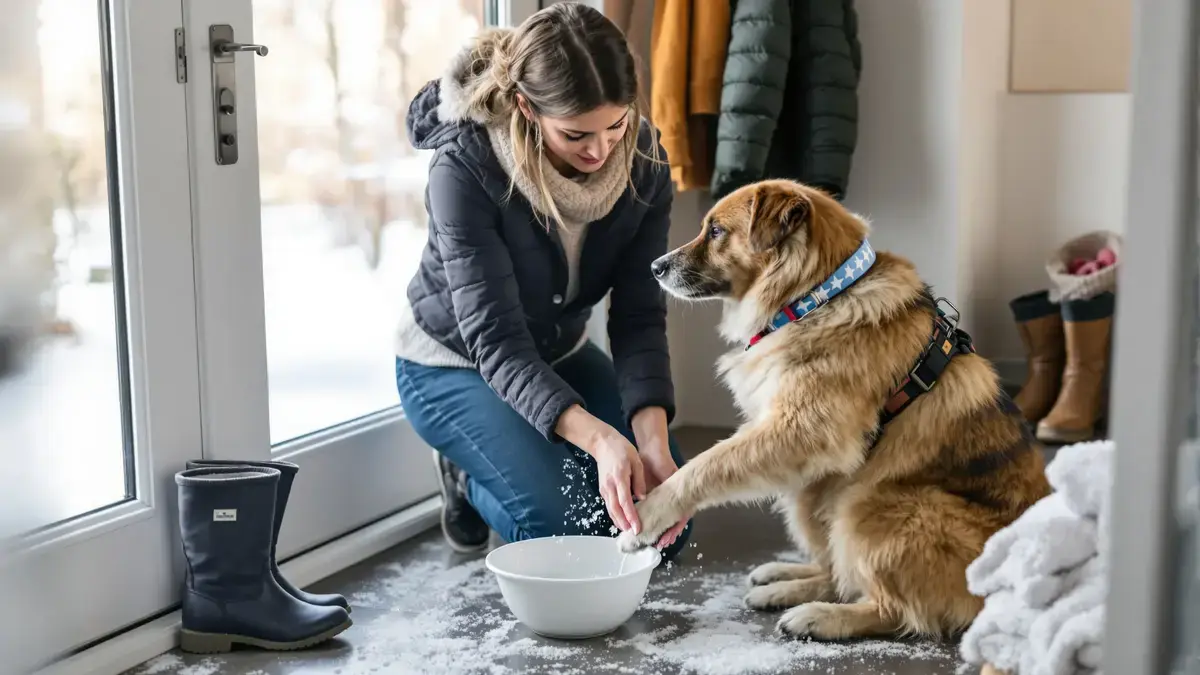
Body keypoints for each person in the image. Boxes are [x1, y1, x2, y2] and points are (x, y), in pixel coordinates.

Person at [395, 2, 691, 559]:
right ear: (527, 107)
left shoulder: (645, 160)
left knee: (659, 524)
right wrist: (601, 440)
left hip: (558, 351)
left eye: (616, 124)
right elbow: (497, 342)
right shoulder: (465, 166)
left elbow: (638, 315)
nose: (600, 150)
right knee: (572, 538)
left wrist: (652, 444)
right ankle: (465, 477)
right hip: (455, 362)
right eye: (576, 134)